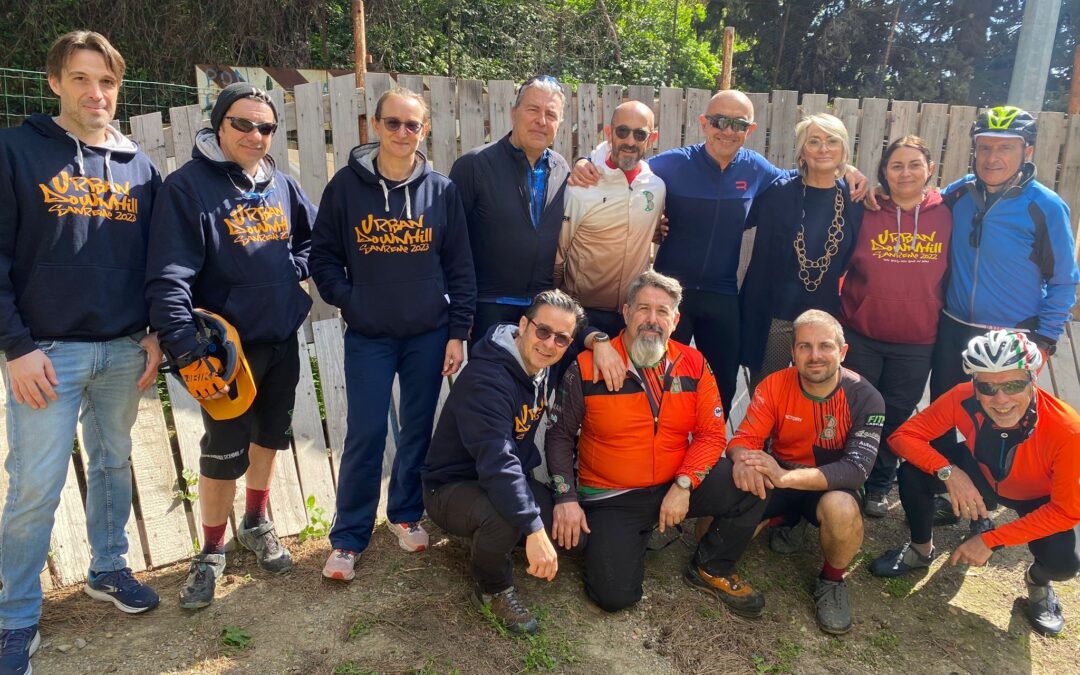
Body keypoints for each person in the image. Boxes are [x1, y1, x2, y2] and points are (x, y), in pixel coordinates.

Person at [0, 30, 163, 675]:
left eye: (106, 82)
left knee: (114, 464)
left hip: (123, 349)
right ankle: (15, 617)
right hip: (47, 355)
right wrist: (15, 346)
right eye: (81, 79)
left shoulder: (139, 166)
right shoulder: (16, 150)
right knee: (35, 487)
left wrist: (153, 330)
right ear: (55, 83)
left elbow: (156, 262)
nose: (96, 93)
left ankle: (107, 567)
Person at [569, 91, 868, 415]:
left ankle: (711, 453)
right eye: (719, 122)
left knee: (723, 383)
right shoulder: (674, 163)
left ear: (750, 130)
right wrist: (587, 160)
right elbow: (627, 159)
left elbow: (808, 174)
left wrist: (847, 169)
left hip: (721, 294)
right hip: (669, 293)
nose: (727, 130)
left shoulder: (755, 169)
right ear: (704, 123)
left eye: (738, 124)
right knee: (656, 376)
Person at [145, 82, 315, 609]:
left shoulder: (281, 185)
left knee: (270, 435)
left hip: (281, 339)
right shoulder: (188, 188)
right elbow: (169, 275)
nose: (255, 134)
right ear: (219, 125)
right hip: (225, 353)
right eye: (242, 123)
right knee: (221, 453)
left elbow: (312, 241)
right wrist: (186, 348)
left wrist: (293, 273)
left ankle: (256, 521)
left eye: (265, 127)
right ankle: (212, 549)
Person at [310, 87, 476, 581]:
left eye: (413, 125)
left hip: (428, 334)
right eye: (393, 123)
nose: (403, 133)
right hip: (370, 336)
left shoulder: (441, 190)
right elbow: (322, 257)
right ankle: (348, 537)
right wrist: (350, 298)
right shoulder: (346, 187)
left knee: (418, 431)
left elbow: (460, 266)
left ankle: (405, 513)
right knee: (365, 432)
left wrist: (457, 331)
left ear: (424, 130)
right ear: (375, 126)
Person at [545, 271, 768, 614]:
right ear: (625, 311)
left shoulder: (693, 363)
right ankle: (624, 537)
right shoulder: (588, 366)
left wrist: (684, 483)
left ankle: (712, 566)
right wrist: (566, 496)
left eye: (662, 311)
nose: (652, 319)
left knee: (752, 480)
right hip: (612, 497)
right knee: (614, 598)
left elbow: (711, 433)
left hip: (674, 481)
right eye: (643, 309)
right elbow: (559, 435)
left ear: (676, 320)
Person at [870, 330, 1080, 637]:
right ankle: (920, 549)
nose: (1001, 399)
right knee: (913, 473)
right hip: (978, 471)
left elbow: (1066, 511)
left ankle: (1038, 582)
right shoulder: (962, 396)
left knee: (1063, 564)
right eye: (987, 387)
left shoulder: (1067, 429)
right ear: (975, 385)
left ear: (1033, 379)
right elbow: (902, 437)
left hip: (1035, 495)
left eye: (1013, 384)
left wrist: (990, 540)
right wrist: (949, 472)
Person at [707, 310, 884, 634]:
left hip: (829, 486)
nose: (814, 356)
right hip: (780, 475)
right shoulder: (775, 384)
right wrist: (746, 460)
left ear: (842, 352)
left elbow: (856, 470)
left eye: (825, 346)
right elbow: (743, 439)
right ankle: (786, 519)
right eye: (804, 346)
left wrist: (784, 477)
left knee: (842, 509)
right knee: (705, 531)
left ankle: (832, 581)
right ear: (792, 352)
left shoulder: (866, 396)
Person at [421, 290, 586, 636]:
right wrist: (532, 527)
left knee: (570, 537)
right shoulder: (488, 379)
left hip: (494, 479)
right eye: (543, 331)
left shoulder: (538, 369)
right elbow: (498, 464)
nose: (549, 343)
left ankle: (494, 541)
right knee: (507, 517)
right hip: (450, 487)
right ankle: (492, 589)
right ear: (523, 325)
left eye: (561, 338)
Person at [931, 106, 1077, 401]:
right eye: (984, 147)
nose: (991, 158)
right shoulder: (959, 193)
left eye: (1005, 148)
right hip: (953, 327)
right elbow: (914, 206)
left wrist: (1045, 341)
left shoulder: (1046, 206)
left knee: (998, 430)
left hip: (1013, 335)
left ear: (1028, 151)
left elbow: (1064, 280)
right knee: (941, 421)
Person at [840, 136, 951, 518]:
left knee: (896, 415)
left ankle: (879, 485)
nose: (906, 173)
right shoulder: (864, 208)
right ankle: (847, 479)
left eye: (914, 164)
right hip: (863, 333)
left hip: (918, 341)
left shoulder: (947, 211)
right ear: (884, 171)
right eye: (897, 165)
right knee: (858, 411)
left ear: (930, 169)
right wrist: (848, 170)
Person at [740, 114, 863, 389]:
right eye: (814, 141)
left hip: (823, 320)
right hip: (773, 317)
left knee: (816, 395)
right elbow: (733, 216)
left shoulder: (855, 199)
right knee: (766, 394)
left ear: (844, 149)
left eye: (832, 141)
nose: (823, 149)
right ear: (802, 151)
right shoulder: (777, 191)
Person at [449, 76, 570, 342]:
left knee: (536, 384)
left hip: (542, 311)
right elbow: (452, 245)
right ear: (514, 113)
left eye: (551, 114)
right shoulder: (474, 166)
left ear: (559, 123)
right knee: (491, 383)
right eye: (533, 109)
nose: (542, 120)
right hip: (488, 307)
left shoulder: (562, 169)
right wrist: (461, 313)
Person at [555, 101, 665, 338]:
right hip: (582, 313)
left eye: (640, 134)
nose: (630, 141)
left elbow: (654, 233)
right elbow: (558, 253)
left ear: (651, 138)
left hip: (631, 314)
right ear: (609, 132)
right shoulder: (581, 186)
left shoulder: (656, 187)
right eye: (622, 131)